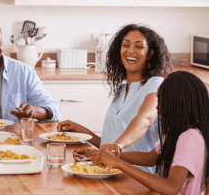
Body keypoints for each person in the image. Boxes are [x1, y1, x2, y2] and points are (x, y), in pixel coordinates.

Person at [89, 71, 209, 195]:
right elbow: (150, 158)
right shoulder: (178, 133)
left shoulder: (190, 138)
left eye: (161, 103)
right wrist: (112, 155)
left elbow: (170, 189)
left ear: (177, 105)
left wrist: (118, 163)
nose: (158, 109)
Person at [59, 24, 172, 173]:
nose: (130, 50)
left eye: (139, 47)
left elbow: (146, 119)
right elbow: (110, 146)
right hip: (112, 172)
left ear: (150, 54)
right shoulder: (122, 90)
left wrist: (118, 145)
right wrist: (83, 132)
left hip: (138, 178)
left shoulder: (156, 83)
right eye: (126, 45)